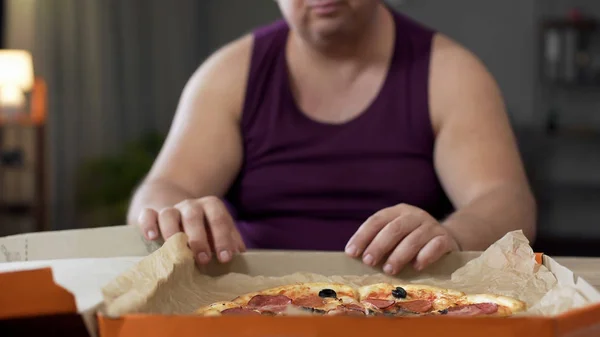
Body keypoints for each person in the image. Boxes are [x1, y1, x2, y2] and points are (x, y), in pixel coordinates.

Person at [127, 0, 536, 275]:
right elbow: (162, 189)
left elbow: (505, 199)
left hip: (403, 301)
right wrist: (173, 214)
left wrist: (456, 234)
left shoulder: (450, 72)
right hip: (253, 302)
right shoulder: (229, 73)